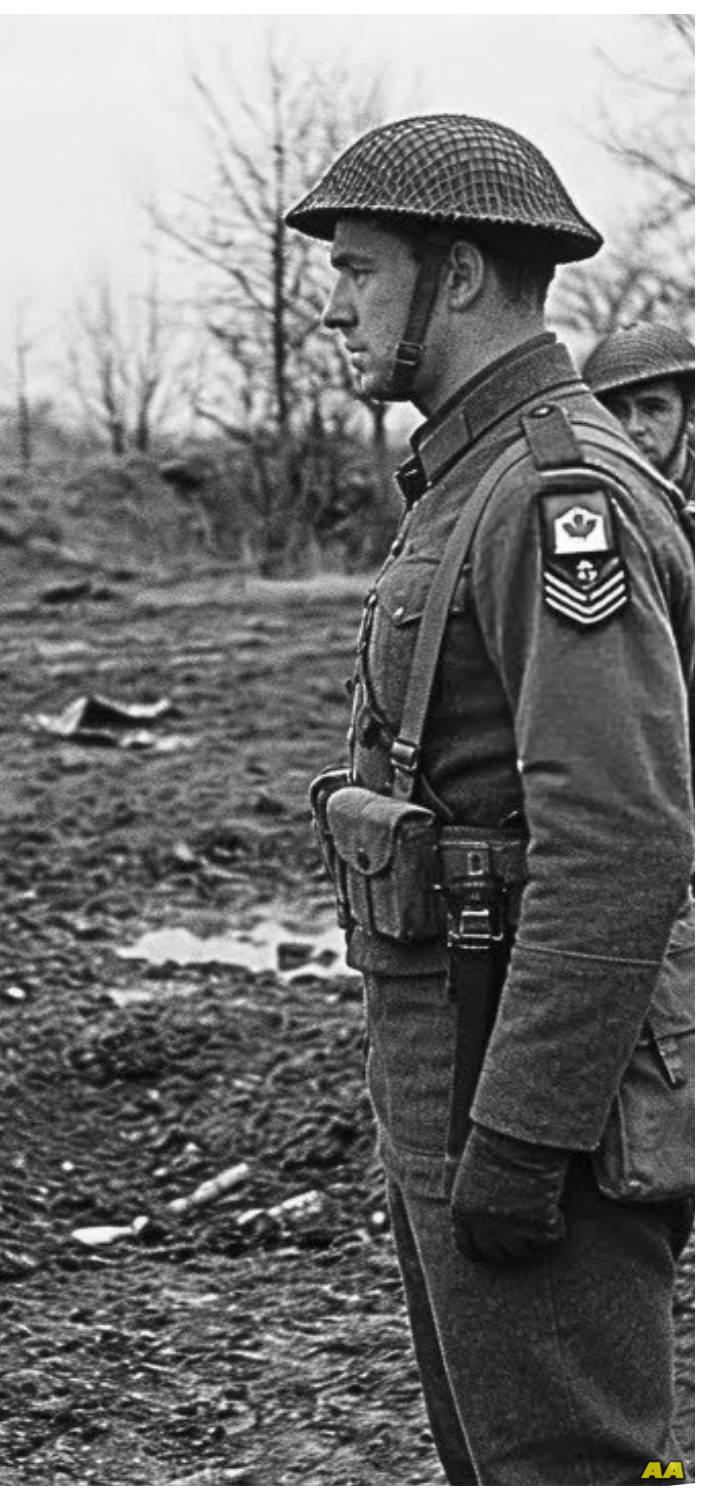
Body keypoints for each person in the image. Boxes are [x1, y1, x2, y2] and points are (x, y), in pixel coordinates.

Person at [286, 116, 694, 1484]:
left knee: (567, 1468)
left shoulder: (550, 495)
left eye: (356, 268)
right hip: (462, 1061)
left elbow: (621, 840)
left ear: (458, 275)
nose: (333, 300)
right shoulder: (468, 479)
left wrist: (523, 1134)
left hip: (530, 1093)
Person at [583, 322, 695, 508]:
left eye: (653, 408)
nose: (633, 427)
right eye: (616, 411)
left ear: (690, 413)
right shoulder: (585, 499)